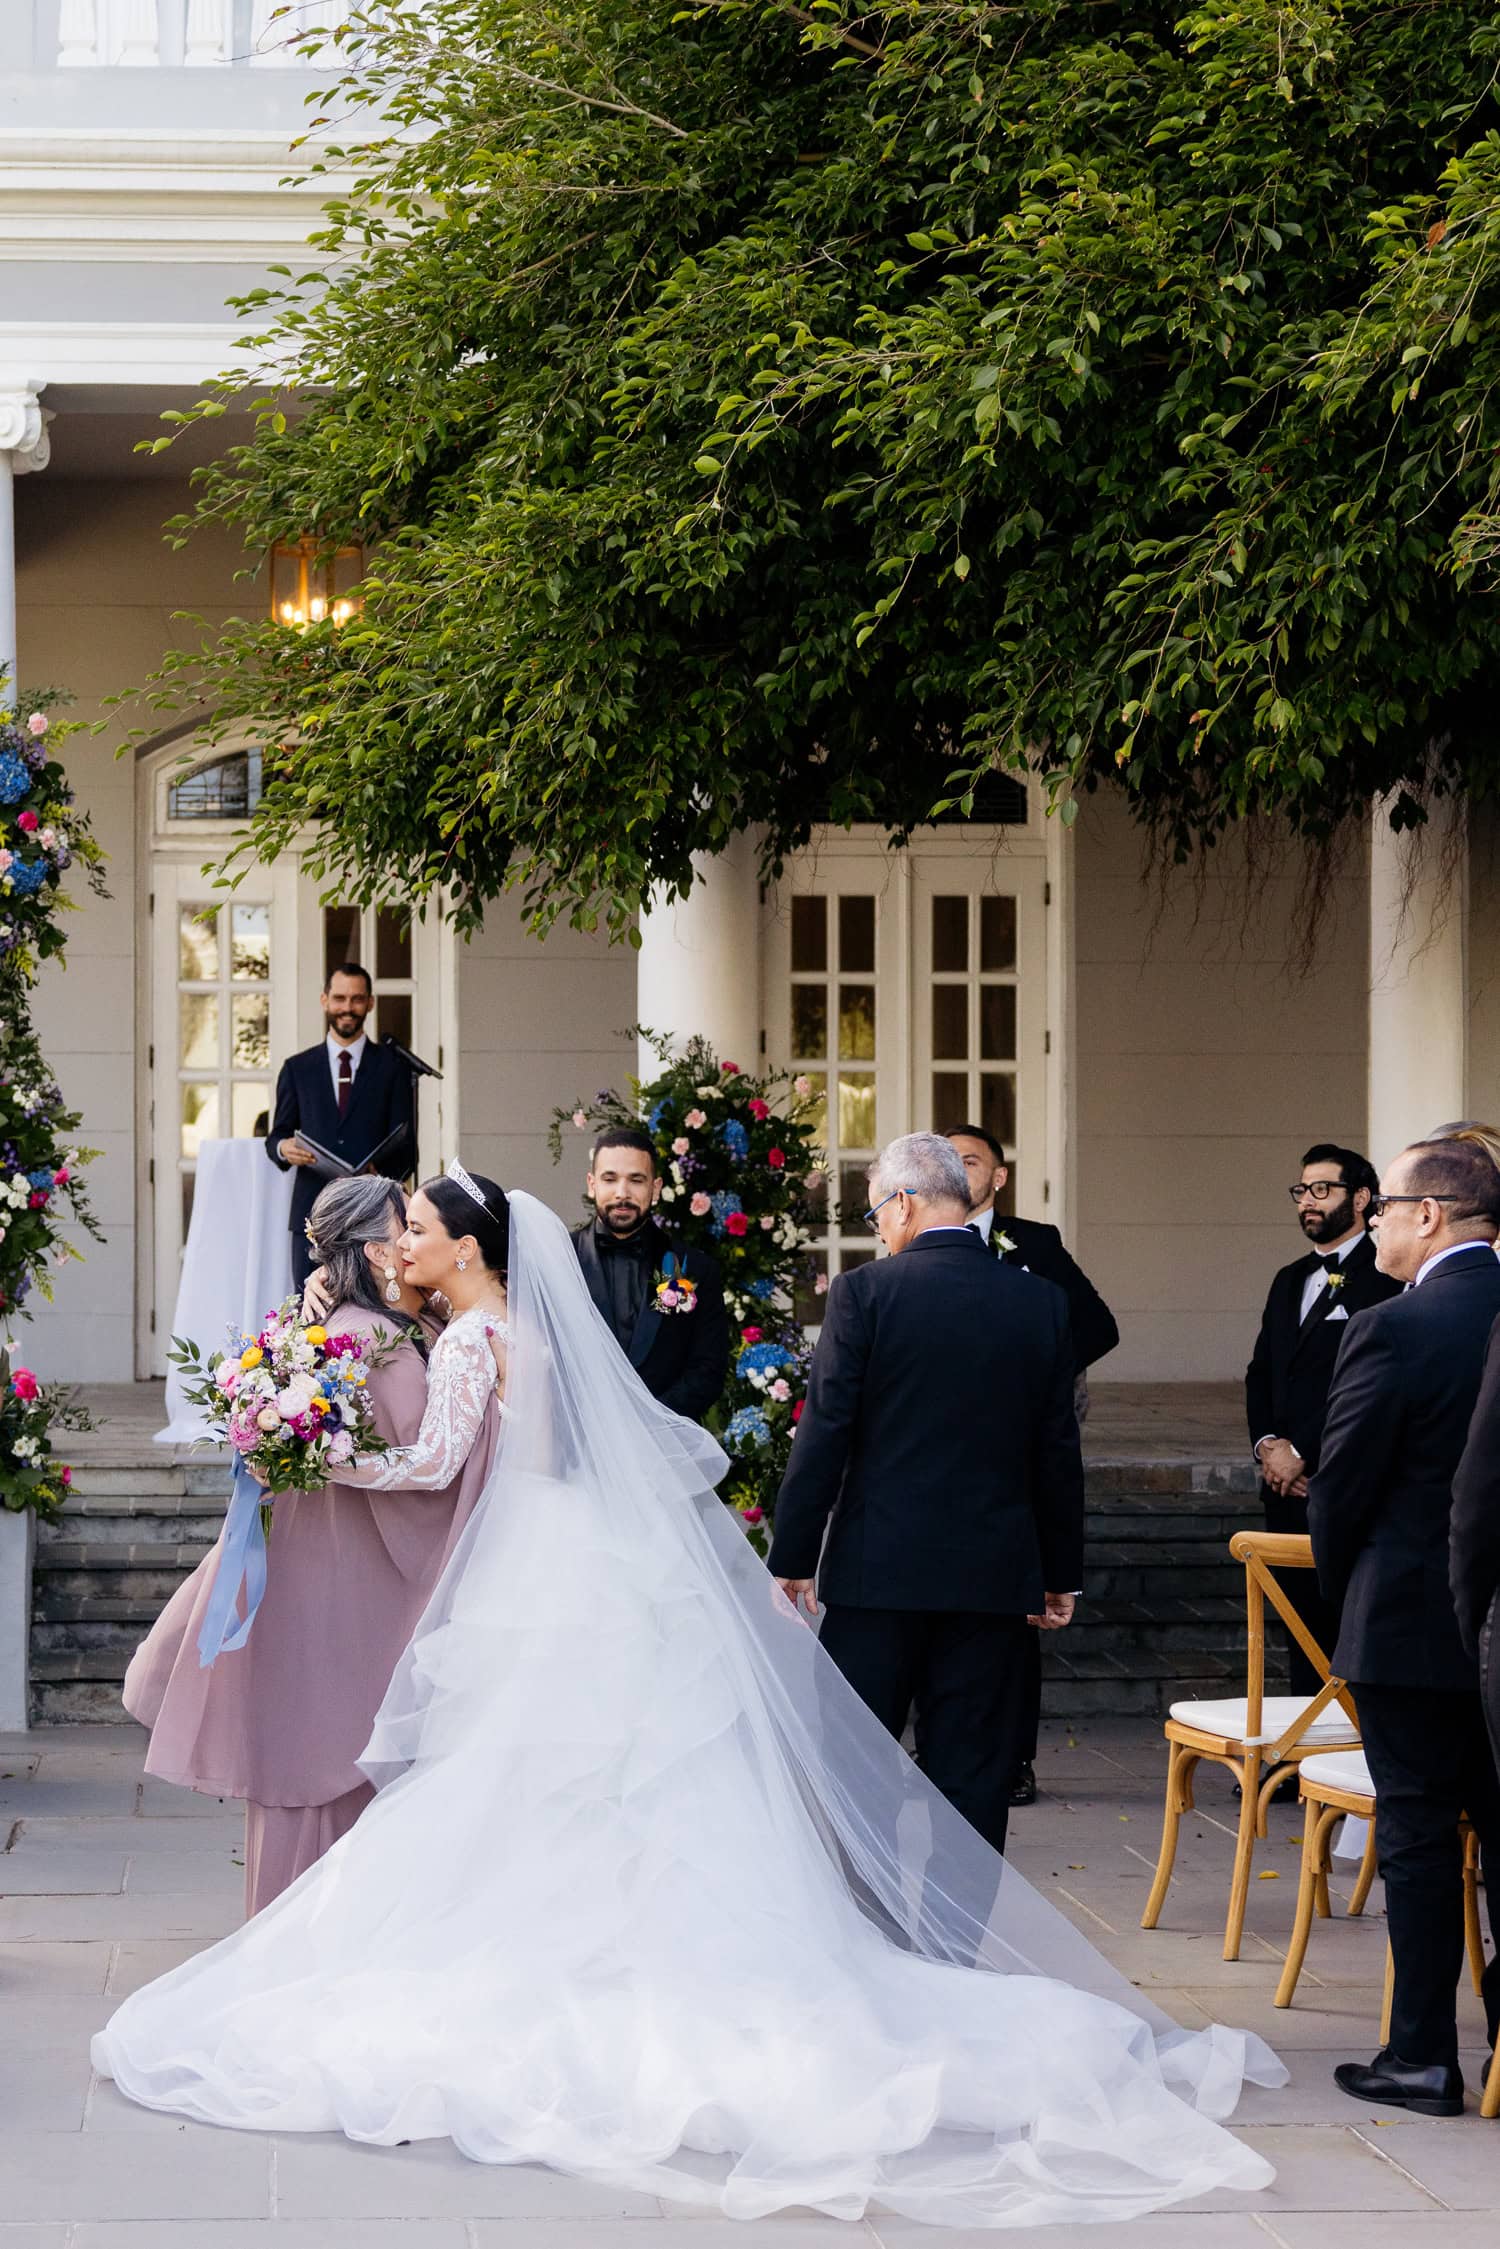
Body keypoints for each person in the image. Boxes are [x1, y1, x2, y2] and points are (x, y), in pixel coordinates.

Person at [92, 1169, 1287, 2228]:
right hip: (586, 1558)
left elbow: (432, 1465)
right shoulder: (523, 1330)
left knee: (522, 1778)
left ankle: (556, 1962)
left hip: (528, 1575)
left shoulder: (466, 1338)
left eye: (415, 1225)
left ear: (467, 1245)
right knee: (613, 1783)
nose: (400, 1241)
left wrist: (312, 1452)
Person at [122, 1174, 499, 1915]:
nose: (413, 1241)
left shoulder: (338, 1329)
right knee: (329, 1766)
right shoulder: (379, 1340)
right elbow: (431, 1473)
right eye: (404, 1228)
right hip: (344, 1590)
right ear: (374, 1248)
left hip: (313, 1577)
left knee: (303, 1758)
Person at [768, 1132, 1085, 1862]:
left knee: (858, 1769)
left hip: (877, 1576)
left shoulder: (864, 1293)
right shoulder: (1039, 1302)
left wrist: (793, 1554)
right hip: (993, 1580)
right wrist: (1058, 1571)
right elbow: (1056, 1453)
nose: (878, 1226)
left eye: (878, 1210)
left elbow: (825, 1434)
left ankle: (873, 1943)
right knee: (975, 1776)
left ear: (905, 1203)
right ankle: (954, 1962)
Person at [1307, 1137, 1500, 2116]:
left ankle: (1424, 2053)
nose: (1373, 1218)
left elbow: (1341, 1490)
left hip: (1413, 1621)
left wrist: (1350, 1598)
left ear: (1431, 1215)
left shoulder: (1394, 1326)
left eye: (1385, 1204)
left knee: (1420, 1836)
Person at [947, 1123, 1118, 1807]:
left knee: (1016, 1611)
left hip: (1021, 1450)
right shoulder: (921, 1242)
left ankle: (1014, 1755)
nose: (959, 1173)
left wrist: (1040, 1373)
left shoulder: (1035, 1242)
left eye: (971, 1161)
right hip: (951, 1447)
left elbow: (1099, 1326)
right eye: (947, 1161)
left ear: (999, 1176)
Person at [1246, 1143, 1401, 1699]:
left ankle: (1344, 1755)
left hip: (1335, 1480)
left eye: (1322, 1190)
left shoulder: (1385, 1278)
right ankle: (1295, 1760)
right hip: (1283, 1487)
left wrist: (1303, 1452)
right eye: (1301, 1191)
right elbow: (1262, 1371)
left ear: (1360, 1198)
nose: (1307, 1202)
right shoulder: (1289, 1278)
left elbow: (1365, 1383)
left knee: (1342, 1628)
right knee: (1293, 1627)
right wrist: (1267, 1446)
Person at [265, 962, 415, 1289]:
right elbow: (276, 1135)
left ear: (370, 1003)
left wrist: (380, 1171)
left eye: (357, 999)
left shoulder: (394, 1067)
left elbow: (407, 1147)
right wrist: (283, 1147)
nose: (347, 1008)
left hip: (373, 1214)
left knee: (372, 1305)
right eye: (340, 998)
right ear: (324, 1001)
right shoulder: (297, 1068)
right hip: (311, 1213)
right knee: (309, 1311)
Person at [571, 1124, 729, 1420]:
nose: (622, 1193)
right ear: (592, 1184)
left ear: (655, 1188)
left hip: (666, 1448)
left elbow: (708, 1369)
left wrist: (650, 1421)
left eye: (636, 1180)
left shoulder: (697, 1269)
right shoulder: (559, 1260)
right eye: (610, 1179)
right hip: (579, 1447)